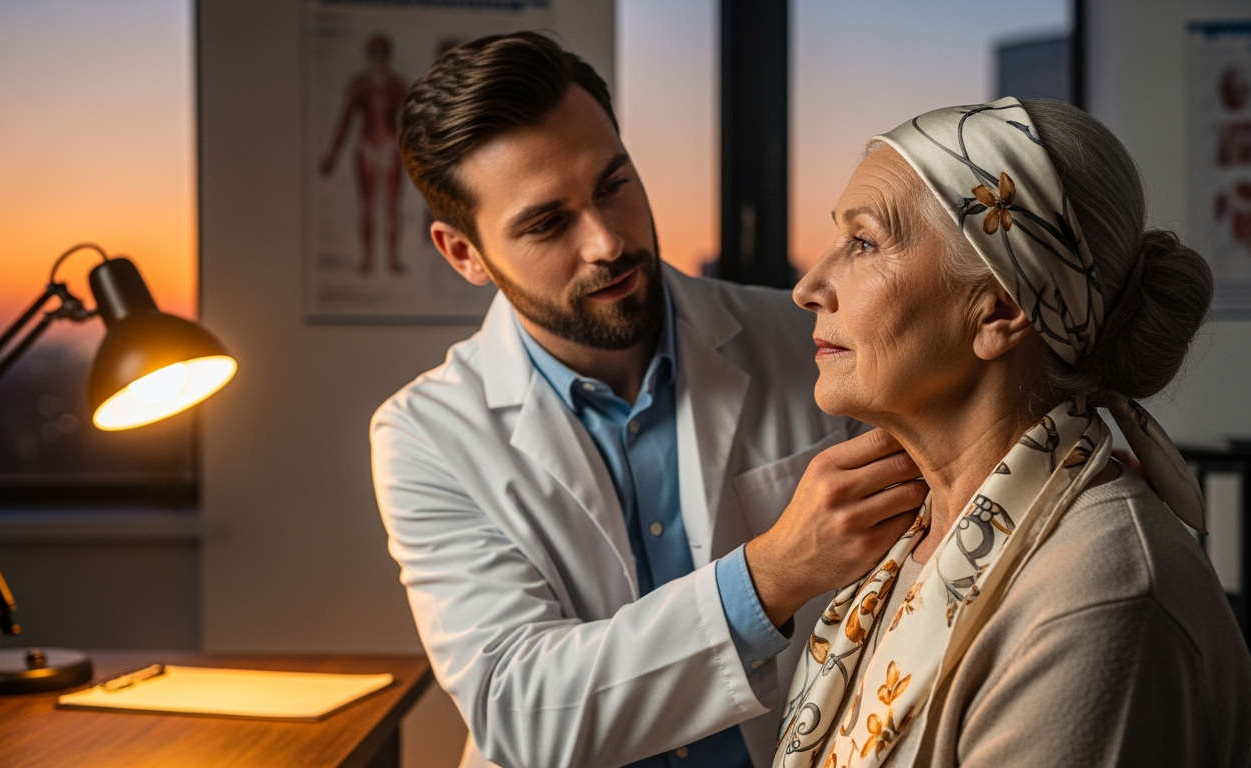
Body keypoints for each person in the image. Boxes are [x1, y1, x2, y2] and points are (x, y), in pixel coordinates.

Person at [370, 33, 925, 768]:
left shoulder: (803, 339)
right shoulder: (426, 434)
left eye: (613, 184)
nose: (606, 240)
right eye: (548, 223)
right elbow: (520, 711)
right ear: (463, 253)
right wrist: (774, 575)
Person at [773, 98, 1251, 767]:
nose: (809, 286)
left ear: (1001, 308)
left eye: (863, 243)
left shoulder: (1097, 601)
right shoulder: (911, 545)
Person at [320, 33, 410, 274]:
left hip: (391, 146)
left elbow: (413, 122)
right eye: (375, 52)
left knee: (392, 206)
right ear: (370, 55)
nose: (379, 57)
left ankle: (392, 260)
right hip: (367, 146)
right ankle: (368, 260)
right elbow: (345, 121)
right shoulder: (359, 84)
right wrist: (332, 155)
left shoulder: (396, 84)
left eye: (383, 52)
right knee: (367, 205)